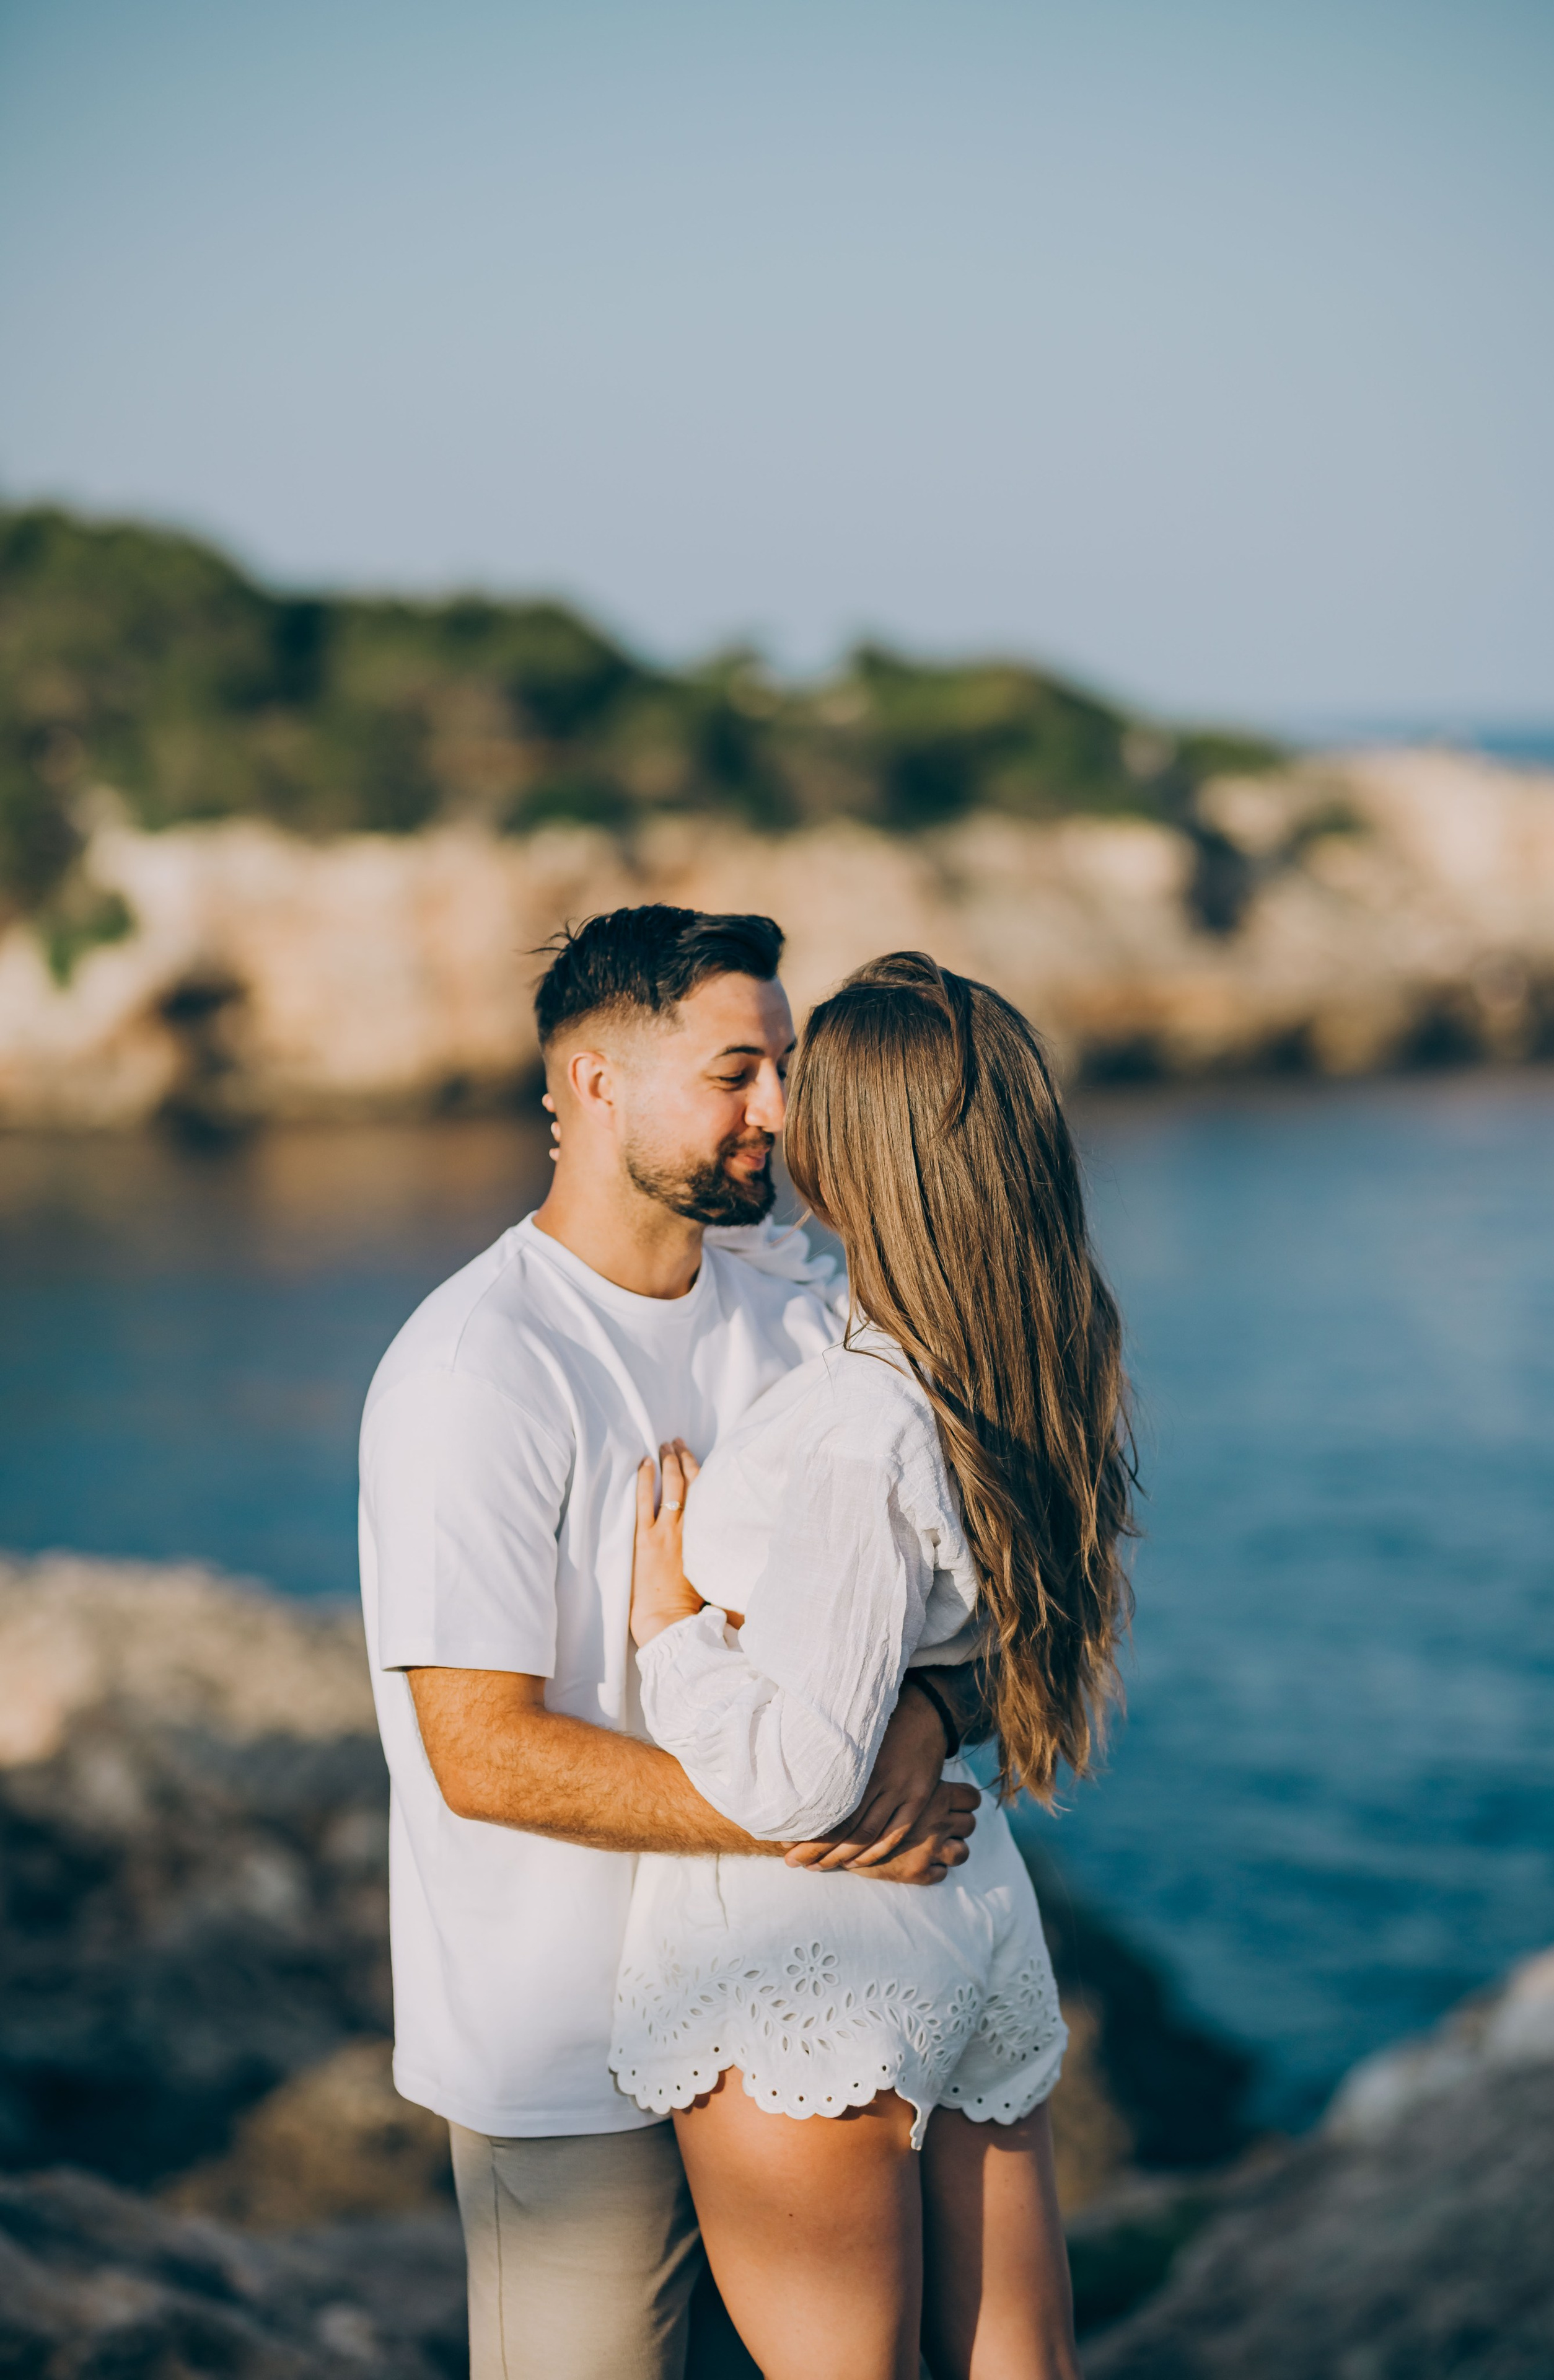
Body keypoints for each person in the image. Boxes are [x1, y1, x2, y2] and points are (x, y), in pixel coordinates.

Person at [358, 907, 985, 2380]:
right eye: (735, 1073)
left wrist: (925, 1726)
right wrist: (814, 1811)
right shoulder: (476, 1370)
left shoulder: (806, 1303)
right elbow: (481, 1752)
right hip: (566, 2060)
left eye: (781, 1068)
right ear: (591, 1085)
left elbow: (960, 1596)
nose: (779, 1110)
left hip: (803, 2024)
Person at [610, 952, 1136, 2380]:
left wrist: (667, 1628)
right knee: (1018, 2358)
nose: (770, 1110)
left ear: (862, 1156)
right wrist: (924, 1699)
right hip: (967, 1919)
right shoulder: (1024, 1354)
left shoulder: (860, 1418)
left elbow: (794, 1780)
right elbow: (1007, 1632)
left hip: (810, 1950)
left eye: (803, 1091)